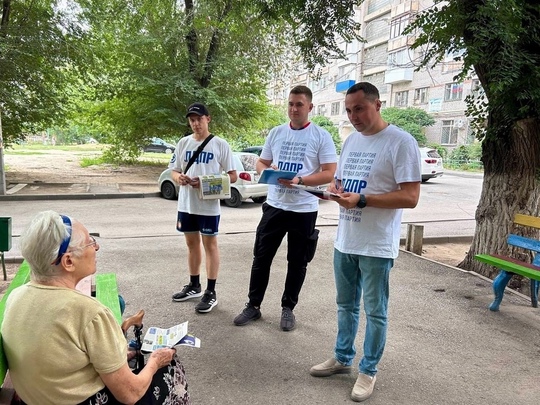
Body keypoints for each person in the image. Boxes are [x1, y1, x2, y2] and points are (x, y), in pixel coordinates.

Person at [1, 211, 191, 405]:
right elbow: (130, 394)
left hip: (36, 398)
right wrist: (155, 362)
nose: (96, 247)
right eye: (90, 242)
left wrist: (115, 357)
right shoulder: (89, 312)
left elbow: (60, 354)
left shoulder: (16, 297)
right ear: (68, 261)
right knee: (171, 368)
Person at [309, 82, 421, 402]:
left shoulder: (400, 142)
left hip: (376, 244)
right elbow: (343, 180)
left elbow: (410, 197)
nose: (353, 116)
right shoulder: (351, 140)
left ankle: (368, 369)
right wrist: (335, 188)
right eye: (348, 110)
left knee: (375, 311)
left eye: (359, 108)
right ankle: (343, 357)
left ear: (378, 104)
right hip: (346, 239)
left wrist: (361, 200)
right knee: (345, 305)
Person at [233, 85, 338, 331]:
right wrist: (266, 173)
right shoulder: (277, 133)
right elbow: (261, 162)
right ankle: (253, 305)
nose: (294, 108)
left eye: (299, 104)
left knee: (297, 262)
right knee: (261, 258)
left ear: (310, 107)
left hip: (304, 208)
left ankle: (288, 308)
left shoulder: (321, 136)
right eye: (291, 103)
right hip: (275, 206)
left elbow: (329, 172)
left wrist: (300, 181)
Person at [170, 103, 237, 313]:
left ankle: (211, 291)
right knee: (191, 244)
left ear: (208, 119)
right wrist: (178, 177)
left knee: (210, 245)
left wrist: (207, 181)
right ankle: (194, 285)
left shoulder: (219, 144)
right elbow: (173, 170)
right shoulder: (183, 143)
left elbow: (233, 175)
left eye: (199, 119)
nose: (195, 123)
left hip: (208, 206)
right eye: (191, 120)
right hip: (187, 204)